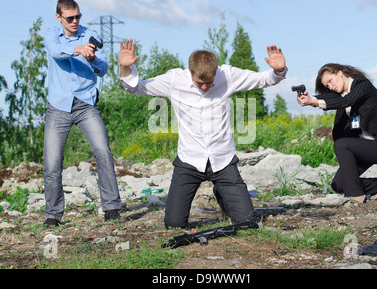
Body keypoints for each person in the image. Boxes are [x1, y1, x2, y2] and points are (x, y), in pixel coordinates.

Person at [119, 39, 287, 228]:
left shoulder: (228, 75)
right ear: (191, 73)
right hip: (189, 160)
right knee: (174, 224)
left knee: (246, 222)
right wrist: (125, 69)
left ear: (216, 72)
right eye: (200, 82)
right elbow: (135, 87)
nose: (205, 87)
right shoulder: (174, 80)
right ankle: (216, 193)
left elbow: (263, 79)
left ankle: (223, 194)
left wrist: (278, 71)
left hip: (222, 160)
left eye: (209, 82)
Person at [43, 0, 122, 227]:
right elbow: (56, 52)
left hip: (86, 104)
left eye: (78, 16)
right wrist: (77, 49)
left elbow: (103, 70)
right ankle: (53, 214)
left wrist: (93, 58)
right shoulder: (52, 34)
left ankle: (112, 207)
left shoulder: (91, 35)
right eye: (70, 18)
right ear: (59, 18)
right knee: (52, 162)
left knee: (103, 152)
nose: (75, 21)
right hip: (58, 106)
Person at [297, 63, 377, 203]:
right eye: (327, 86)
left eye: (330, 81)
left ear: (340, 73)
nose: (330, 87)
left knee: (341, 145)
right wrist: (310, 100)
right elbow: (335, 99)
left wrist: (314, 101)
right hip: (364, 147)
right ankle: (374, 186)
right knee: (338, 184)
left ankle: (357, 196)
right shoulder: (342, 95)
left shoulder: (362, 84)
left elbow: (347, 100)